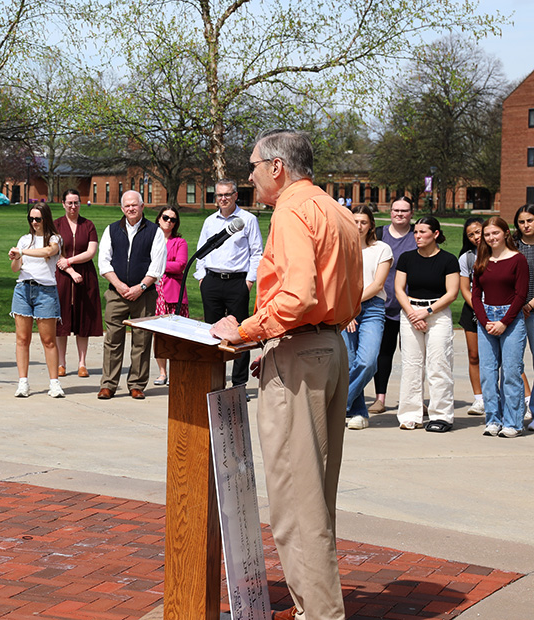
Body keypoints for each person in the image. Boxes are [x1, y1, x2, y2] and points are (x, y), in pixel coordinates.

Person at [210, 129, 361, 620]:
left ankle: (319, 613)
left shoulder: (292, 211)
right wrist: (275, 340)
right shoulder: (336, 210)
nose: (249, 176)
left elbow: (297, 297)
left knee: (296, 502)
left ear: (277, 167)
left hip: (301, 354)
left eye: (253, 166)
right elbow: (343, 294)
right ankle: (312, 606)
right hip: (328, 348)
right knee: (315, 495)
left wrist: (246, 330)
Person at [97, 190, 165, 400]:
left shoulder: (155, 231)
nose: (131, 209)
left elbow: (157, 265)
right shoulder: (111, 230)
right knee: (112, 340)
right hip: (116, 294)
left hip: (144, 295)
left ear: (142, 206)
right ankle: (108, 385)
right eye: (127, 206)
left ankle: (137, 384)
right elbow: (103, 262)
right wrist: (119, 286)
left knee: (142, 341)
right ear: (122, 208)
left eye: (134, 205)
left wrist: (140, 288)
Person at [193, 179, 262, 388]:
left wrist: (249, 282)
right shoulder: (209, 221)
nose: (223, 199)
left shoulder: (248, 220)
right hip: (212, 282)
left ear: (235, 196)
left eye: (227, 195)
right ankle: (214, 382)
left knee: (240, 334)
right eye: (219, 195)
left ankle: (239, 384)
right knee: (212, 334)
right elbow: (200, 252)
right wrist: (202, 278)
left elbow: (256, 253)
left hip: (237, 283)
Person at [394, 216, 459, 432]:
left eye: (423, 232)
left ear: (436, 234)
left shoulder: (448, 260)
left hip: (437, 314)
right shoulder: (407, 258)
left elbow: (452, 293)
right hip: (410, 312)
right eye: (416, 232)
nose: (418, 236)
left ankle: (441, 416)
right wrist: (413, 314)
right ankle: (410, 415)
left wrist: (427, 312)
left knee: (439, 365)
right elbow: (399, 289)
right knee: (411, 365)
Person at [472, 217, 528, 438]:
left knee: (511, 372)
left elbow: (521, 294)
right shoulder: (482, 260)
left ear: (505, 233)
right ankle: (493, 419)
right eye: (487, 234)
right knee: (487, 373)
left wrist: (504, 322)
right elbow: (476, 295)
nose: (491, 237)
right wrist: (485, 320)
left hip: (511, 319)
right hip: (486, 319)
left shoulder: (518, 259)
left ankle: (513, 422)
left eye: (495, 233)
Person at [343, 205, 393, 430]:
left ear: (371, 224)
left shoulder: (382, 249)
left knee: (367, 361)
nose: (359, 226)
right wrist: (347, 310)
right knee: (349, 362)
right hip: (344, 309)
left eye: (363, 222)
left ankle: (338, 406)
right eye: (355, 221)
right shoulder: (341, 248)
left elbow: (378, 284)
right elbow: (336, 282)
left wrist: (353, 305)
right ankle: (359, 414)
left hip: (372, 308)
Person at [9, 203, 63, 398]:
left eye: (38, 219)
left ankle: (54, 383)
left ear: (45, 219)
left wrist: (22, 252)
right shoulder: (24, 240)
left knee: (48, 340)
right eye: (31, 219)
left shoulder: (55, 239)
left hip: (45, 291)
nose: (34, 222)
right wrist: (16, 257)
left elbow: (47, 252)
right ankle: (23, 382)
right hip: (23, 289)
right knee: (22, 339)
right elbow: (15, 269)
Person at [369, 197, 416, 414]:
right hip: (383, 306)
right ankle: (380, 398)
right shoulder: (380, 235)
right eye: (396, 210)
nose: (399, 214)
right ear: (390, 212)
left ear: (411, 213)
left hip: (411, 307)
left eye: (404, 211)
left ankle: (414, 399)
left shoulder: (417, 235)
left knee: (413, 356)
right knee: (383, 353)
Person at [53, 189, 102, 378]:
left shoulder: (88, 225)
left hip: (85, 277)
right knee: (62, 322)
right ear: (63, 204)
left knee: (83, 321)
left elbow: (91, 252)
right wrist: (70, 270)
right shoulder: (56, 225)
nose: (73, 206)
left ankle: (82, 363)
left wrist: (70, 261)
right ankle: (61, 363)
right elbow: (54, 252)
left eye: (76, 203)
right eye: (70, 203)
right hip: (62, 277)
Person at [153, 206, 188, 386]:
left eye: (173, 219)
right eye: (165, 217)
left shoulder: (179, 242)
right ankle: (162, 372)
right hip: (154, 292)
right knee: (159, 335)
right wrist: (167, 263)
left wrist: (157, 264)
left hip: (174, 293)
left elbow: (180, 265)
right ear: (159, 219)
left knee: (176, 335)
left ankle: (176, 371)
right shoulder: (151, 239)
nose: (168, 221)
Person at [458, 218, 486, 416]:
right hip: (473, 310)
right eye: (471, 234)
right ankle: (479, 399)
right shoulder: (467, 258)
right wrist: (478, 309)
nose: (476, 237)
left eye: (479, 231)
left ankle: (524, 400)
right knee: (474, 356)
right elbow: (464, 288)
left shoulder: (502, 253)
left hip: (499, 310)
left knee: (506, 359)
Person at [511, 204, 534, 429]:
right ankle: (514, 413)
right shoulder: (513, 246)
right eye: (521, 222)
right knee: (513, 364)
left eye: (530, 220)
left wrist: (531, 303)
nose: (526, 225)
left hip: (532, 310)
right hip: (514, 311)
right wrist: (519, 304)